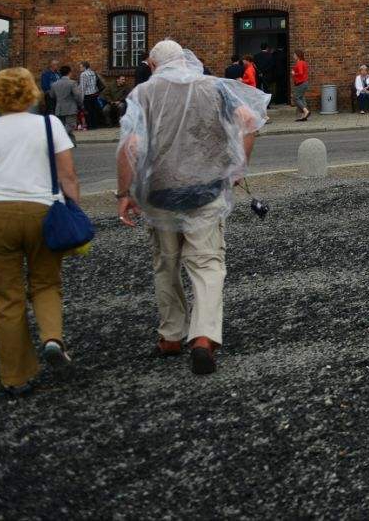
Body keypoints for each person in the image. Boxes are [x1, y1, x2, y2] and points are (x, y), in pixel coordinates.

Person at [115, 40, 268, 375]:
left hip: (161, 193)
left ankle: (171, 335)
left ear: (154, 66)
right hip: (206, 189)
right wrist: (237, 167)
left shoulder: (143, 94)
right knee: (208, 265)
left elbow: (131, 144)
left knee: (166, 265)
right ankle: (203, 337)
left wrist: (124, 193)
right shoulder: (214, 88)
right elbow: (250, 121)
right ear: (186, 60)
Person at [0, 66, 81, 396]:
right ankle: (52, 338)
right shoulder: (49, 124)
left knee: (5, 297)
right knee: (46, 282)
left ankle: (16, 377)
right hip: (44, 211)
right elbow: (68, 177)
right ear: (31, 93)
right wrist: (74, 213)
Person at [49, 65, 82, 132]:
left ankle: (70, 142)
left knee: (62, 126)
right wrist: (80, 104)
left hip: (59, 109)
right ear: (69, 73)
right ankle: (60, 136)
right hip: (70, 109)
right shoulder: (72, 83)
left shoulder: (54, 84)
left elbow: (52, 95)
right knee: (71, 126)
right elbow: (78, 95)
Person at [78, 61, 102, 130]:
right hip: (94, 94)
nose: (80, 68)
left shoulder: (83, 74)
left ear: (85, 67)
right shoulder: (93, 72)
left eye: (81, 67)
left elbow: (83, 87)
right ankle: (95, 125)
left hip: (87, 95)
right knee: (94, 110)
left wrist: (81, 99)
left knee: (88, 111)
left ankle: (90, 125)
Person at [290, 50, 311, 121]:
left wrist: (293, 73)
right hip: (304, 83)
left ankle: (305, 111)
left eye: (294, 55)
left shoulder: (299, 63)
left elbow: (301, 73)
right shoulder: (304, 62)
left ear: (298, 55)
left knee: (296, 98)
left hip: (300, 83)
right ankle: (303, 115)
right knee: (301, 98)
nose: (293, 56)